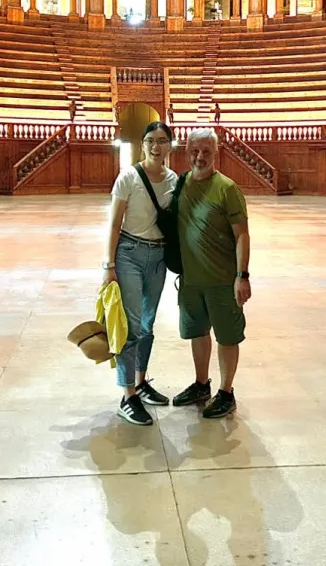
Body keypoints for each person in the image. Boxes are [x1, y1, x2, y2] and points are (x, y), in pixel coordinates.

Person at [102, 122, 178, 426]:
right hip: (129, 254)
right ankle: (128, 394)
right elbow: (114, 224)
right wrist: (108, 266)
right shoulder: (128, 177)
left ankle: (141, 380)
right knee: (132, 326)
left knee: (147, 323)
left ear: (170, 146)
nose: (155, 147)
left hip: (158, 257)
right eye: (150, 141)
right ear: (142, 144)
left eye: (161, 141)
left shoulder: (174, 180)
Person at [173, 128, 251, 419]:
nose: (200, 156)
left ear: (215, 153)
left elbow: (242, 234)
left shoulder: (227, 188)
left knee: (227, 337)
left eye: (206, 151)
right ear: (187, 152)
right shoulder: (181, 184)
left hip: (222, 280)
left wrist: (242, 275)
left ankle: (226, 392)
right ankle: (201, 384)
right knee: (198, 332)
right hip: (191, 280)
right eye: (195, 150)